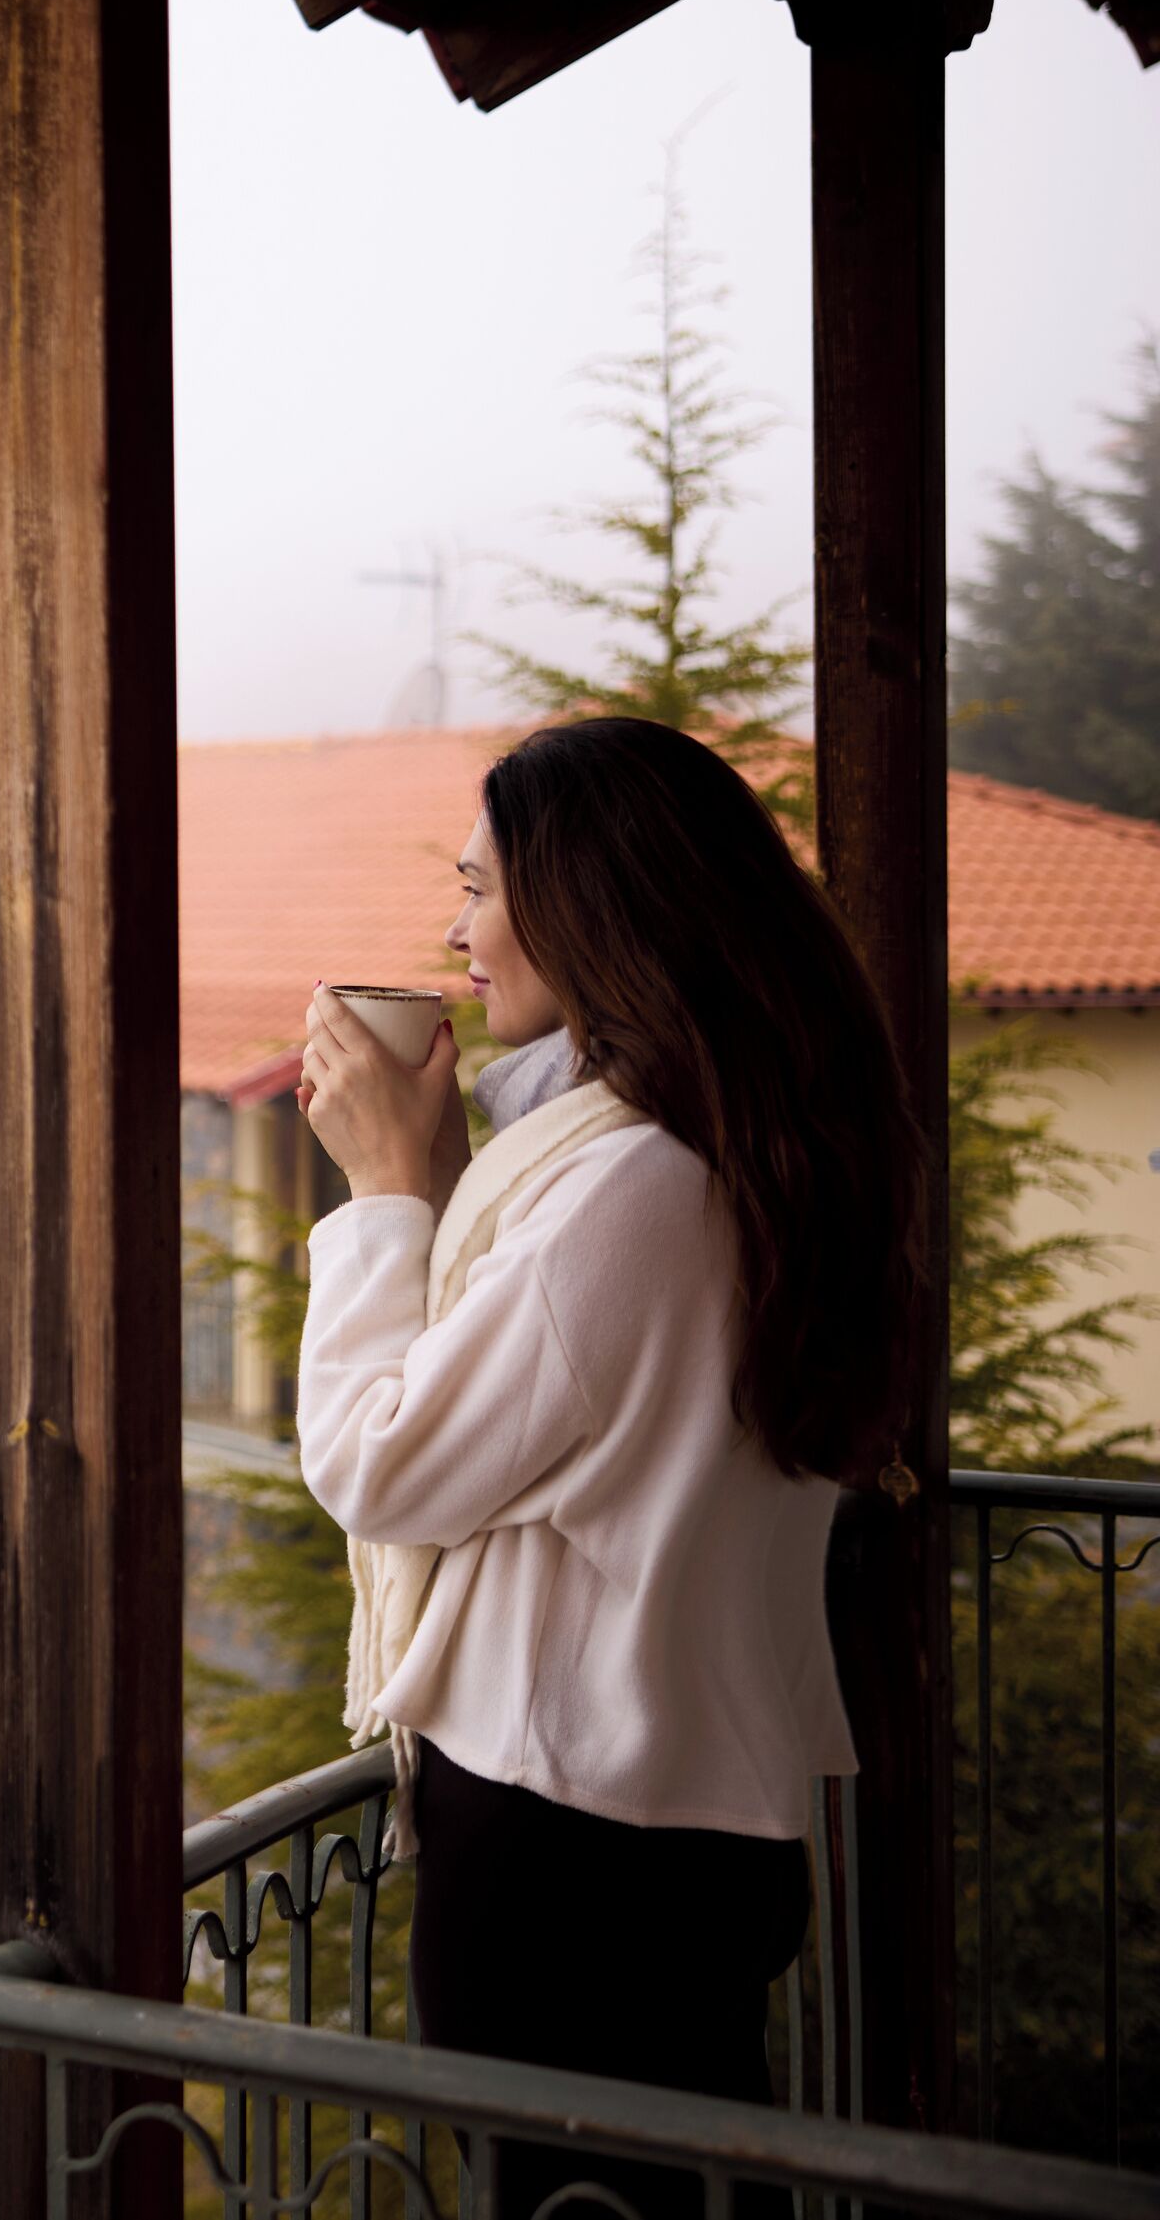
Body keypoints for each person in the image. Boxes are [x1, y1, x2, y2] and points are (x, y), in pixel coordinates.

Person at [294, 715, 920, 2216]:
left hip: (569, 1846)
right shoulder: (740, 1149)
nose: (457, 932)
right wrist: (443, 1178)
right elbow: (564, 1389)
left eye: (477, 889)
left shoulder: (630, 1189)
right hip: (690, 1833)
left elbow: (380, 1461)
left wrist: (383, 1194)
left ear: (590, 902)